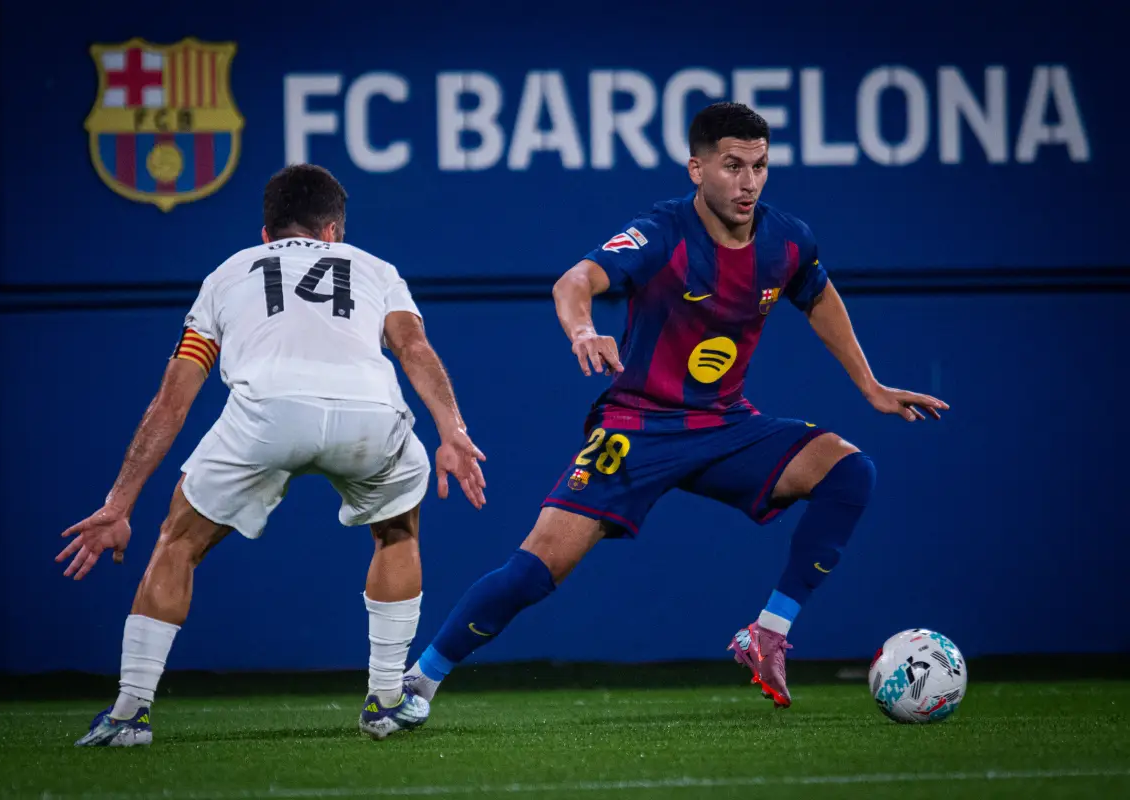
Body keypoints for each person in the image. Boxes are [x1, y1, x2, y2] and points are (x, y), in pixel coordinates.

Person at [403, 102, 947, 710]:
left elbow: (816, 295)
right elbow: (573, 283)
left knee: (850, 471)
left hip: (726, 425)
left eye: (760, 166)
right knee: (536, 570)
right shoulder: (661, 233)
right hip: (638, 427)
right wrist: (583, 331)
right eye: (732, 166)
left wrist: (869, 385)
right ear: (696, 168)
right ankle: (419, 682)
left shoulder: (787, 239)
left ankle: (769, 631)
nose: (748, 182)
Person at [56, 163, 487, 745]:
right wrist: (452, 430)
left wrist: (118, 502)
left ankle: (130, 713)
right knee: (397, 534)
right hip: (368, 414)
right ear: (333, 230)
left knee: (178, 543)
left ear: (267, 232)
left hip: (266, 415)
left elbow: (171, 402)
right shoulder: (373, 268)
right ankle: (385, 701)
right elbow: (412, 346)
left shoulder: (228, 273)